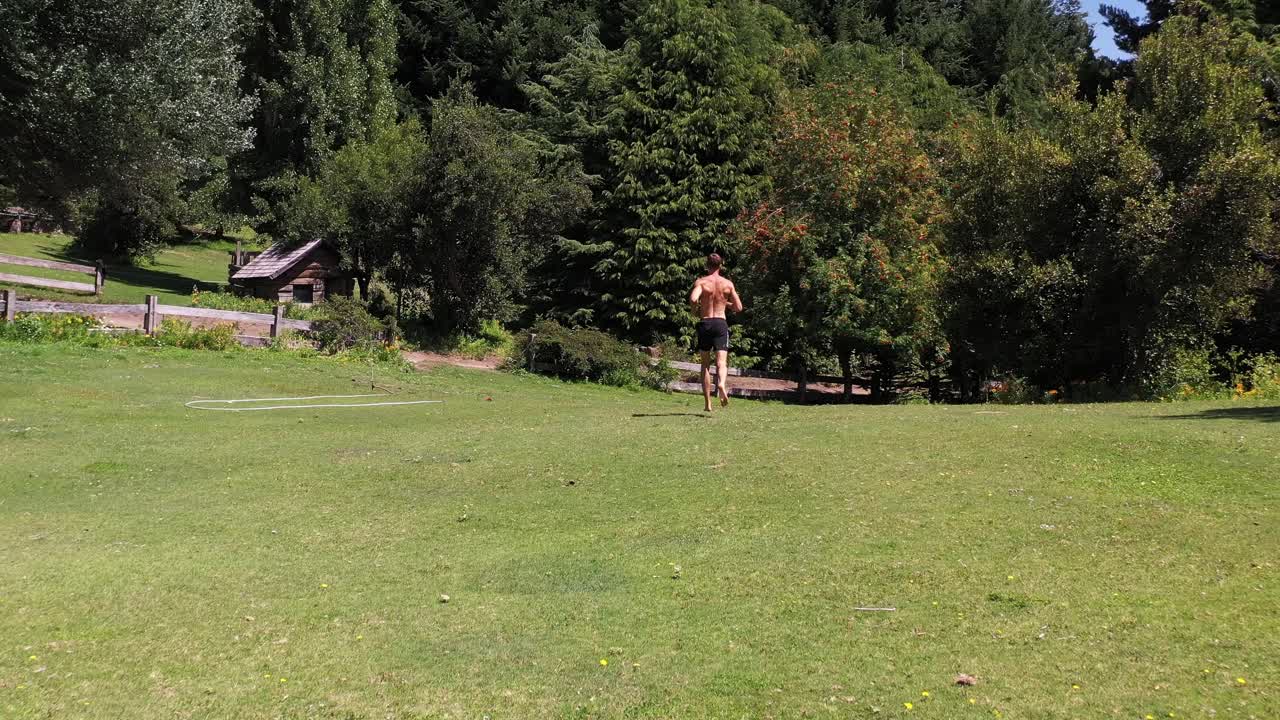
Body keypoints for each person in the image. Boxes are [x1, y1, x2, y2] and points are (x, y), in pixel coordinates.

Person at [689, 253, 744, 412]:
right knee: (721, 362)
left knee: (705, 365)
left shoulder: (702, 282)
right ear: (720, 265)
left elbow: (693, 299)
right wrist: (724, 302)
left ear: (707, 265)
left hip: (705, 322)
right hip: (720, 323)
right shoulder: (728, 284)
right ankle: (721, 383)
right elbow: (738, 307)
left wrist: (694, 311)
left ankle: (707, 404)